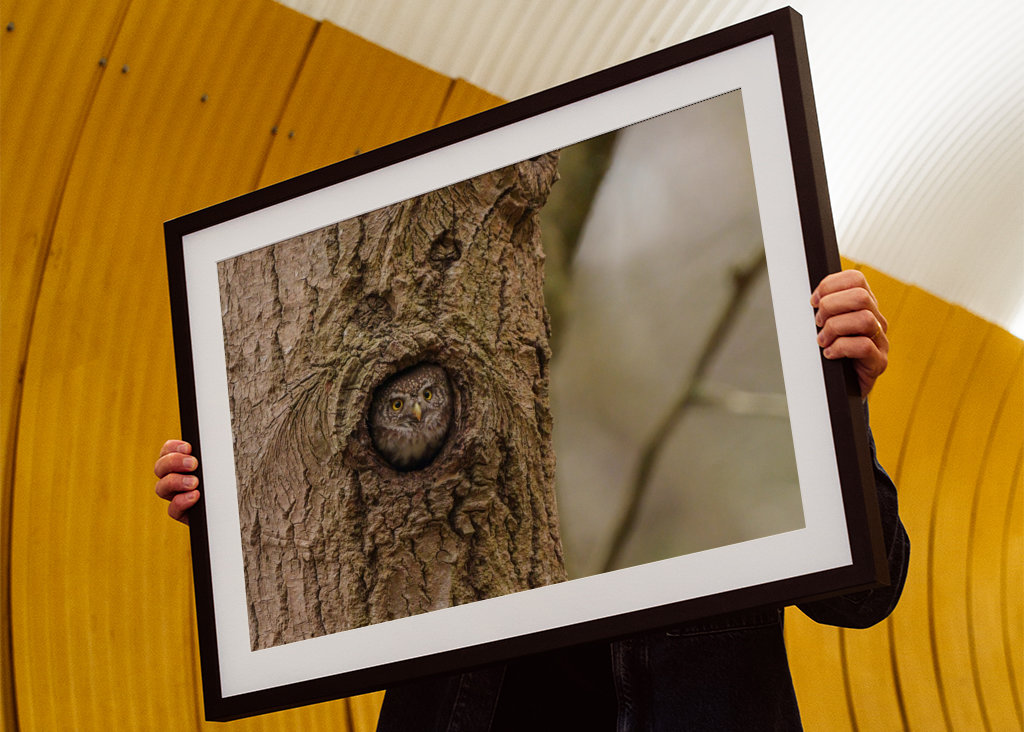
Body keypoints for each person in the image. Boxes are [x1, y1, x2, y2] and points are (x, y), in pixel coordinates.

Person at [155, 270, 908, 730]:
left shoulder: (708, 459)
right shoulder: (447, 454)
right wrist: (244, 505)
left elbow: (864, 595)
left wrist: (837, 404)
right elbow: (346, 555)